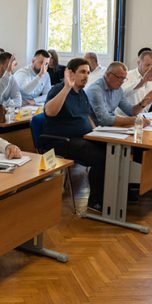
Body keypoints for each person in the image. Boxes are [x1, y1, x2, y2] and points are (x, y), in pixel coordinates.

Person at [42, 58, 107, 212]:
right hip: (62, 141)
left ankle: (112, 196)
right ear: (70, 73)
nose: (86, 76)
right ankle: (95, 201)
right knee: (101, 158)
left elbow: (86, 116)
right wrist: (67, 87)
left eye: (88, 73)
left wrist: (97, 133)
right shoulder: (58, 89)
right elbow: (49, 112)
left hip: (83, 139)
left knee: (112, 151)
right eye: (82, 72)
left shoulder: (82, 93)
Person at [86, 62, 152, 128]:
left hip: (109, 128)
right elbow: (104, 120)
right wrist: (134, 120)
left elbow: (131, 111)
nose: (122, 82)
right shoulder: (95, 90)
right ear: (108, 75)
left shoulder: (118, 89)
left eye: (124, 78)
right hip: (95, 130)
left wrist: (142, 103)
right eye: (120, 78)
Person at [121, 50, 152, 116]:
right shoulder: (127, 75)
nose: (150, 68)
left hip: (143, 116)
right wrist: (141, 82)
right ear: (138, 63)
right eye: (147, 65)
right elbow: (121, 93)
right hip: (124, 116)